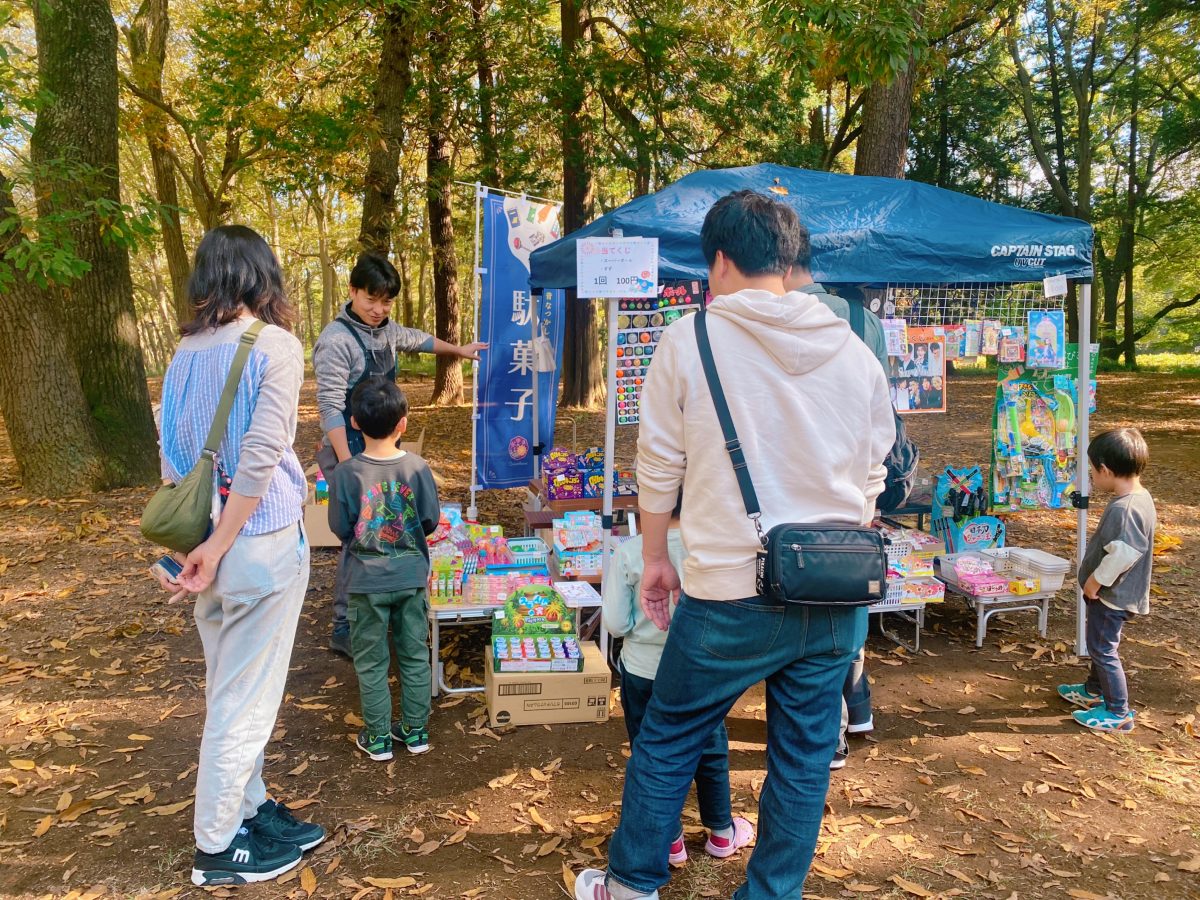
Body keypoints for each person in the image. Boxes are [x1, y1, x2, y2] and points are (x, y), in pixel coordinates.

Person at [575, 190, 895, 900]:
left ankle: (630, 884)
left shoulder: (691, 339)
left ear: (719, 262)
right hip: (834, 593)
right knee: (805, 758)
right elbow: (877, 467)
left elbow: (657, 466)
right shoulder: (853, 349)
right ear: (790, 262)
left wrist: (657, 560)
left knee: (670, 734)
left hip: (729, 591)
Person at [155, 225, 325, 886]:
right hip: (256, 545)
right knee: (243, 702)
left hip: (209, 547)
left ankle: (249, 807)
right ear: (263, 275)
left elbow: (172, 458)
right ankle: (218, 845)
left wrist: (194, 550)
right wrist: (220, 544)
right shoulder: (276, 346)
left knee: (231, 684)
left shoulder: (183, 352)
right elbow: (260, 457)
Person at [314, 252, 485, 658]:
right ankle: (345, 624)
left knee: (387, 531)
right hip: (351, 455)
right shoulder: (336, 341)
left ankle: (382, 610)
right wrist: (346, 468)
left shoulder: (386, 330)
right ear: (352, 291)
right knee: (357, 539)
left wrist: (458, 351)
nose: (378, 309)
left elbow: (417, 339)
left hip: (383, 449)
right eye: (371, 299)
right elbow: (329, 407)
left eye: (386, 301)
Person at [601, 496, 754, 867]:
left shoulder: (630, 552)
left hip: (643, 669)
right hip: (702, 669)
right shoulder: (712, 551)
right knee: (711, 747)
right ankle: (721, 829)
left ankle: (669, 839)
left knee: (649, 751)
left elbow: (616, 623)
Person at [782, 263, 884, 770]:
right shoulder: (865, 322)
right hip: (848, 496)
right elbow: (881, 418)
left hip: (783, 494)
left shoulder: (761, 318)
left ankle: (828, 732)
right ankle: (851, 716)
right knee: (842, 606)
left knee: (792, 607)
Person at [327, 375, 441, 759]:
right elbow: (429, 520)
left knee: (371, 659)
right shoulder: (418, 467)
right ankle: (416, 731)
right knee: (413, 654)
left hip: (365, 581)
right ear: (403, 422)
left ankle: (377, 737)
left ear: (354, 422)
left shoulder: (345, 474)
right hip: (410, 577)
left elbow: (340, 528)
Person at [1058, 428, 1156, 733]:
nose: (1092, 477)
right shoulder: (1138, 498)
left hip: (1111, 595)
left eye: (1092, 471)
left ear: (1106, 470)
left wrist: (1095, 582)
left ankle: (1118, 711)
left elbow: (1124, 555)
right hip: (1113, 593)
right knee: (1099, 643)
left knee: (1102, 648)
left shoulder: (1125, 510)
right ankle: (1093, 690)